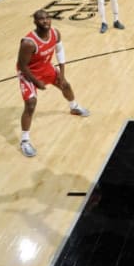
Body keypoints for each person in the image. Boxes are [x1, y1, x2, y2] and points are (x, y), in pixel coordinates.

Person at [16, 10, 90, 157]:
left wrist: (62, 75)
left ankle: (74, 107)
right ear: (35, 22)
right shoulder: (28, 43)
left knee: (66, 85)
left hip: (45, 66)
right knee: (31, 103)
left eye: (47, 18)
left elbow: (60, 52)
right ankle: (25, 141)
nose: (45, 21)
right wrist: (36, 82)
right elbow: (22, 66)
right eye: (41, 19)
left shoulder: (55, 33)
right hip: (29, 72)